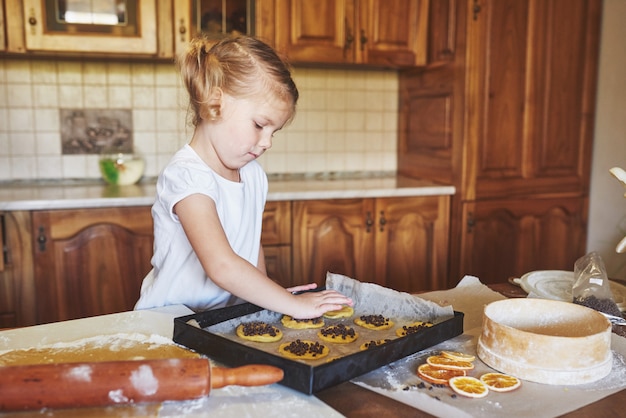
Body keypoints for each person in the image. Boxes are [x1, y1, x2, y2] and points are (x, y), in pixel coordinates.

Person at [135, 35, 352, 318]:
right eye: (260, 125)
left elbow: (251, 249)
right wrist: (295, 305)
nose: (267, 142)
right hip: (170, 322)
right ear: (215, 103)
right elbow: (222, 266)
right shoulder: (186, 176)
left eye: (274, 132)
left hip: (223, 319)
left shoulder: (253, 176)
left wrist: (267, 299)